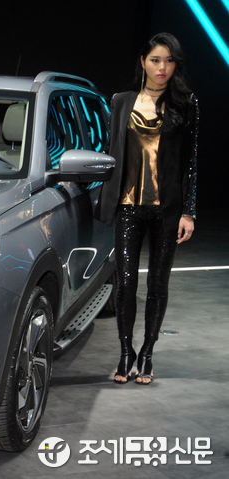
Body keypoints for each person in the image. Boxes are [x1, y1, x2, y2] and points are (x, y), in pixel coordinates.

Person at [96, 32, 199, 385]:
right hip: (128, 207)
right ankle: (126, 352)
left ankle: (148, 354)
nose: (162, 67)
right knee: (125, 284)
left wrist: (189, 211)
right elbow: (109, 151)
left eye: (169, 61)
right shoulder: (120, 101)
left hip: (167, 210)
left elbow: (191, 162)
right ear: (143, 62)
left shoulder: (187, 104)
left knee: (158, 284)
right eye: (155, 60)